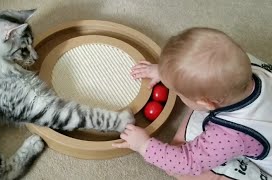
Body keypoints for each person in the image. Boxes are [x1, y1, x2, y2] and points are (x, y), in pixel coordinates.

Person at [113, 27, 272, 180]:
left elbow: (187, 162)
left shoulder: (230, 135)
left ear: (206, 103)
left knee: (183, 168)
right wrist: (166, 72)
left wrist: (143, 145)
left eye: (178, 91)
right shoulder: (246, 67)